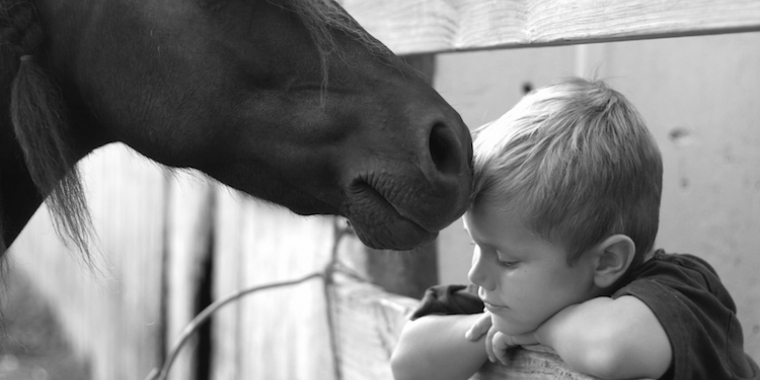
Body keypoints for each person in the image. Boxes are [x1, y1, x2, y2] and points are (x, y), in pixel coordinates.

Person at [390, 78, 759, 380]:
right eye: (477, 245)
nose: (477, 273)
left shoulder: (682, 290)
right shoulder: (506, 296)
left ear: (606, 262)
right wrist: (488, 330)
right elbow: (407, 361)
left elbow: (613, 349)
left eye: (507, 259)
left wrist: (533, 333)